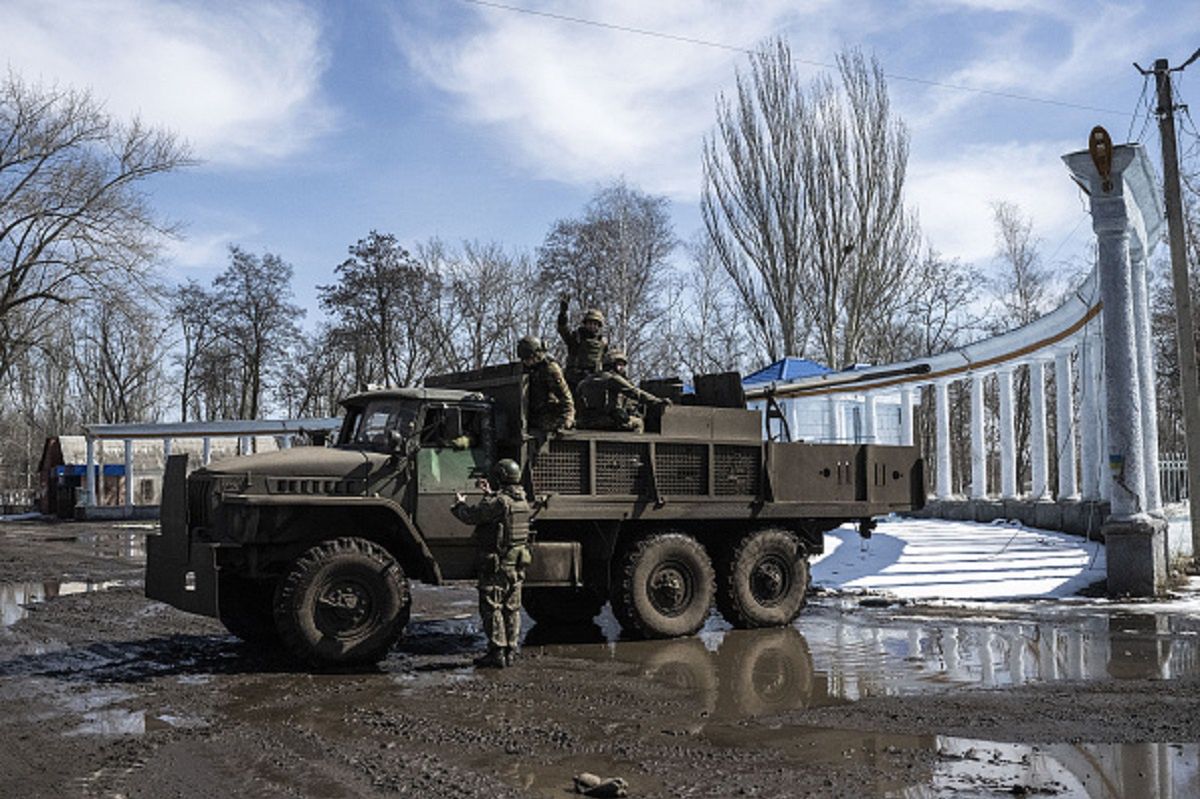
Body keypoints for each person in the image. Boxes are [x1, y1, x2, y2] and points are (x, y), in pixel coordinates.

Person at [451, 458, 532, 668]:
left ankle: (496, 652)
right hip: (517, 563)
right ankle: (511, 650)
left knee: (492, 607)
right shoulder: (522, 501)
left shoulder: (499, 502)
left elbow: (472, 516)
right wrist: (489, 494)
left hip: (498, 563)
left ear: (501, 477)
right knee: (512, 608)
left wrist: (459, 504)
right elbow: (502, 515)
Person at [575, 350, 671, 433]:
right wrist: (657, 401)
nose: (622, 368)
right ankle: (634, 451)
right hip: (606, 420)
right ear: (612, 365)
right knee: (638, 423)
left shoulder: (585, 381)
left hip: (586, 421)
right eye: (619, 365)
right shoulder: (613, 379)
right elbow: (636, 393)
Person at [518, 335, 575, 436]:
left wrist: (567, 419)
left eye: (528, 358)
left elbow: (565, 396)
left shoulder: (550, 369)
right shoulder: (528, 367)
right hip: (534, 413)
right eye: (524, 359)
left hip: (549, 414)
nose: (526, 362)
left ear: (537, 355)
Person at [557, 296, 608, 391]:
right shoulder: (576, 338)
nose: (592, 326)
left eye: (595, 324)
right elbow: (563, 329)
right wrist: (563, 313)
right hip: (574, 379)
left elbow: (606, 362)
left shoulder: (602, 342)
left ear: (599, 326)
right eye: (590, 323)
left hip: (594, 381)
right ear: (585, 324)